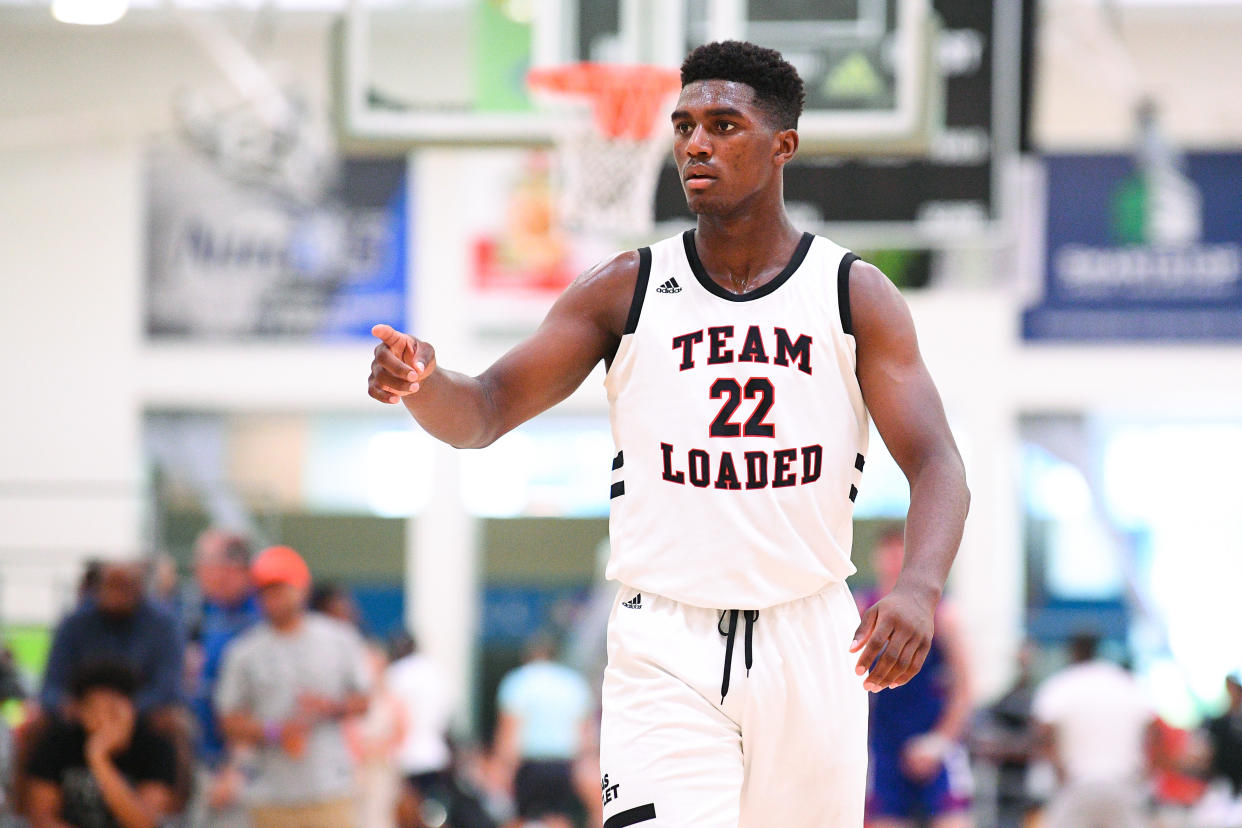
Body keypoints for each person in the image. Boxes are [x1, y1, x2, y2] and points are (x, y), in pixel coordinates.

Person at [367, 39, 969, 827]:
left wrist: (919, 587)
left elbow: (937, 464)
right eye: (685, 125)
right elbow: (482, 410)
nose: (695, 143)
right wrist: (422, 383)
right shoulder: (626, 288)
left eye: (723, 125)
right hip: (666, 643)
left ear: (782, 145)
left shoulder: (854, 294)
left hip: (812, 637)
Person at [215, 544, 370, 828]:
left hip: (329, 789)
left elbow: (364, 700)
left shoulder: (338, 640)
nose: (272, 599)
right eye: (265, 591)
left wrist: (331, 707)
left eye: (279, 588)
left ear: (301, 589)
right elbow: (228, 720)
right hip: (270, 794)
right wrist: (275, 731)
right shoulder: (245, 652)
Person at [861, 529, 973, 828]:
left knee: (954, 819)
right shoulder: (863, 609)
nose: (895, 561)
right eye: (890, 553)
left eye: (902, 554)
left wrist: (941, 740)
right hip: (883, 739)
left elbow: (964, 687)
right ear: (878, 559)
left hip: (931, 728)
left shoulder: (943, 614)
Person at [24, 659, 177, 828]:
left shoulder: (155, 748)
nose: (104, 720)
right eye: (95, 710)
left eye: (113, 710)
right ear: (79, 711)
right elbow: (42, 817)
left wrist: (99, 759)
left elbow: (145, 823)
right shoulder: (57, 743)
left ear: (132, 708)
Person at [1032, 632, 1154, 828]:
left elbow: (1044, 734)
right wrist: (1145, 772)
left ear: (1073, 651)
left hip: (1077, 782)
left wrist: (1058, 772)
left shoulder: (1061, 685)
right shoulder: (1125, 682)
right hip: (1123, 783)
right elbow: (1152, 729)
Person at [40, 561, 185, 720]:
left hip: (142, 716)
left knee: (172, 720)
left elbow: (167, 687)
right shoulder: (75, 624)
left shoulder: (162, 625)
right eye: (112, 585)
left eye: (124, 586)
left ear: (139, 588)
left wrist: (126, 710)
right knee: (33, 721)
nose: (118, 594)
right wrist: (73, 707)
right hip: (80, 714)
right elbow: (50, 686)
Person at [185, 529, 261, 827]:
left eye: (203, 562)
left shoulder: (259, 617)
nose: (198, 572)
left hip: (245, 769)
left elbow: (262, 704)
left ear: (231, 567)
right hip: (203, 759)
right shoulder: (205, 611)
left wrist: (238, 768)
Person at [491, 637, 593, 828]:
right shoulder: (573, 682)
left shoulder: (517, 681)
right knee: (560, 817)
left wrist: (503, 768)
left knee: (522, 817)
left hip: (530, 763)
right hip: (563, 763)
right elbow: (584, 733)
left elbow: (508, 731)